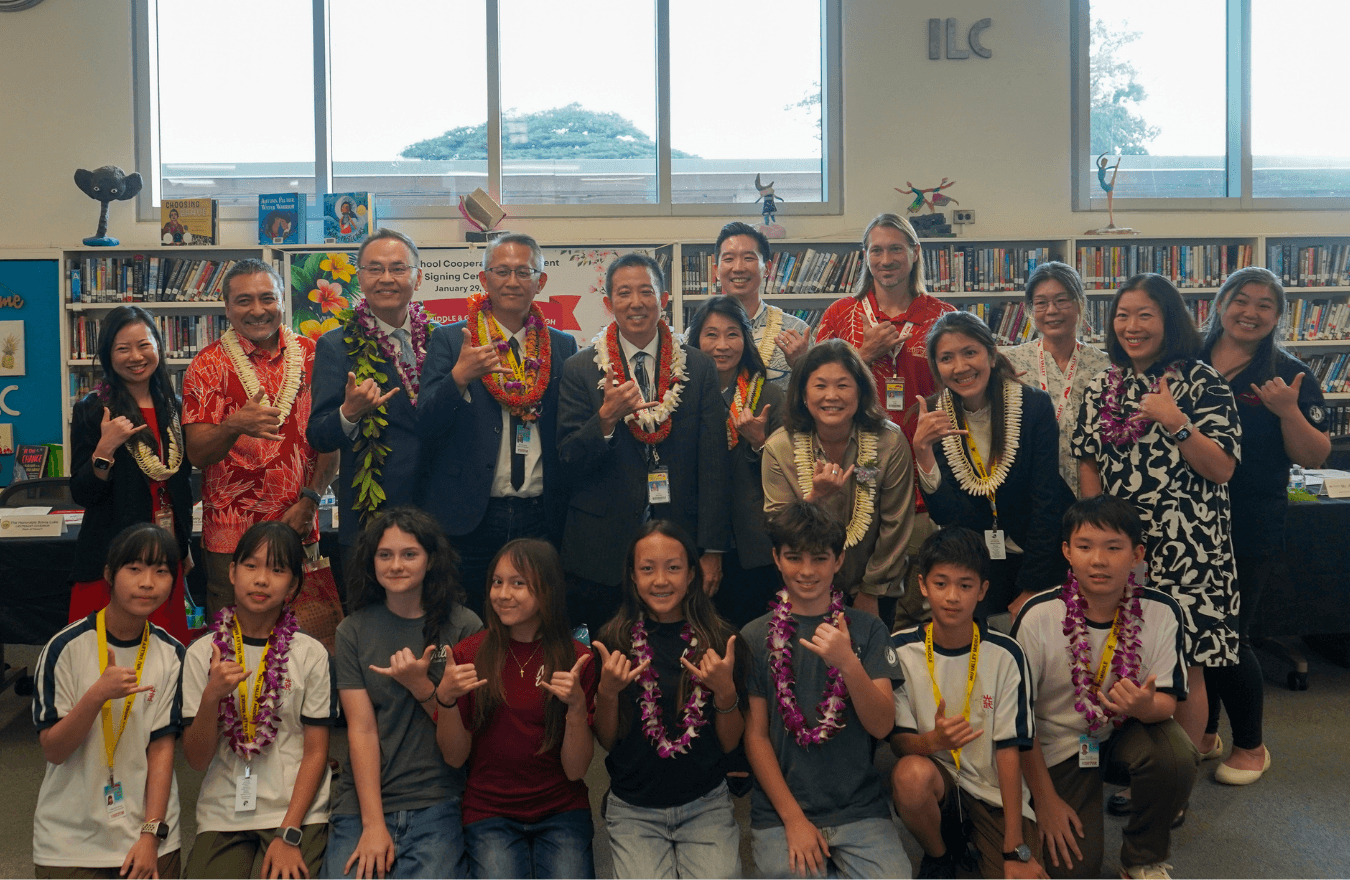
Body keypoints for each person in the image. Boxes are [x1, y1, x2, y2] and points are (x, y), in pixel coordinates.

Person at [1071, 273, 1240, 755]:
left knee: (1187, 664)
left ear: (1170, 320)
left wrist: (1176, 422)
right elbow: (1088, 461)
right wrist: (1095, 535)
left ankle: (1177, 778)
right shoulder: (1102, 385)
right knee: (1129, 657)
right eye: (1123, 315)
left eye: (1146, 314)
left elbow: (1222, 468)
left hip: (1190, 549)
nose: (1132, 325)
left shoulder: (1205, 383)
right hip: (1123, 550)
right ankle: (1141, 766)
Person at [1012, 495, 1197, 880]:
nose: (1098, 560)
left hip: (1123, 732)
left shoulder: (1162, 612)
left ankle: (1142, 857)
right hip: (1057, 745)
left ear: (1137, 555)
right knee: (1075, 871)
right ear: (1066, 551)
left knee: (1176, 753)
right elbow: (1016, 725)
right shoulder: (1038, 616)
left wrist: (1145, 707)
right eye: (1085, 547)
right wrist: (1045, 801)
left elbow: (1167, 703)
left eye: (1114, 548)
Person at [1199, 266, 1330, 785]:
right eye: (1241, 300)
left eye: (1264, 305)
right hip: (1185, 519)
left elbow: (1314, 455)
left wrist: (1288, 411)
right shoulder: (1187, 359)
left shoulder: (1287, 373)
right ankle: (1204, 731)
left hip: (1249, 521)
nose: (1250, 312)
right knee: (1190, 634)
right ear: (1221, 302)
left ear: (1278, 316)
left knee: (1230, 635)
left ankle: (1250, 746)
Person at [557, 253, 729, 631]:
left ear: (663, 299)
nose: (636, 303)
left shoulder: (698, 367)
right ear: (608, 304)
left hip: (679, 543)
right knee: (609, 660)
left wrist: (713, 549)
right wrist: (605, 419)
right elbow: (568, 458)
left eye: (646, 292)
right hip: (602, 550)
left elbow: (714, 463)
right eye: (624, 293)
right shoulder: (580, 369)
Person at [742, 502, 908, 879]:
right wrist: (794, 820)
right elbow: (756, 738)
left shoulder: (867, 629)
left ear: (838, 560)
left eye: (819, 558)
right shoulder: (754, 636)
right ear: (776, 558)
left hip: (858, 808)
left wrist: (848, 663)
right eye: (793, 557)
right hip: (783, 814)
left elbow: (882, 726)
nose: (806, 570)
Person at [419, 232, 579, 618]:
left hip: (540, 514)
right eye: (502, 271)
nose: (512, 281)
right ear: (483, 279)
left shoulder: (562, 346)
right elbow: (426, 424)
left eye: (523, 272)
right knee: (469, 623)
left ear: (540, 282)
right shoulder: (451, 339)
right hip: (472, 515)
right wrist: (458, 378)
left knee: (537, 620)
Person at [324, 507, 483, 880]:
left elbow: (461, 752)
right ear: (372, 562)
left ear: (431, 561)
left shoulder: (464, 626)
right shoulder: (353, 630)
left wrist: (421, 687)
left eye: (409, 554)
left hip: (437, 797)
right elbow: (361, 730)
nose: (396, 565)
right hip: (363, 801)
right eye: (385, 555)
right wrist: (373, 824)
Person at [816, 212, 955, 628]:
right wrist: (861, 354)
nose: (887, 258)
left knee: (920, 609)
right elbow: (815, 388)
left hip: (925, 486)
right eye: (877, 250)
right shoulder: (842, 315)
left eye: (896, 248)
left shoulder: (941, 317)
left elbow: (966, 386)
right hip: (854, 480)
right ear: (865, 257)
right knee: (853, 609)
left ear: (915, 253)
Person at [181, 521, 336, 879]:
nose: (262, 579)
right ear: (232, 572)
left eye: (277, 569)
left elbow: (316, 751)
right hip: (224, 807)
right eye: (251, 566)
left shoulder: (310, 654)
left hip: (294, 807)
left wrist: (290, 830)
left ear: (293, 585)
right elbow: (196, 759)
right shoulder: (202, 654)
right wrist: (211, 697)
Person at [435, 539, 599, 879]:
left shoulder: (576, 659)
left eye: (518, 583)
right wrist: (446, 699)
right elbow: (454, 757)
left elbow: (576, 769)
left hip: (561, 809)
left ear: (547, 590)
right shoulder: (469, 654)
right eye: (497, 582)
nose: (503, 593)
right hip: (489, 810)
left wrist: (576, 708)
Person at [592, 521, 746, 879]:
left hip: (704, 802)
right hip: (634, 806)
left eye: (673, 567)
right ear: (632, 576)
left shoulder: (721, 640)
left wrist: (725, 691)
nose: (660, 580)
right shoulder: (614, 639)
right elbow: (607, 740)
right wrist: (607, 693)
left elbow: (730, 741)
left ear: (692, 574)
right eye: (647, 569)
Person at [184, 259, 337, 617]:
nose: (257, 310)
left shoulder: (316, 356)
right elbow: (197, 455)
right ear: (226, 307)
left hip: (298, 523)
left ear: (283, 300)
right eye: (244, 301)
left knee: (303, 639)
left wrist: (310, 502)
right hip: (229, 538)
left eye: (267, 298)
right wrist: (233, 425)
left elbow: (331, 441)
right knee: (233, 644)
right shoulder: (205, 367)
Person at [32, 524, 186, 879]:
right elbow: (54, 750)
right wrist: (98, 694)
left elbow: (161, 751)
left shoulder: (172, 654)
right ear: (108, 574)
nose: (147, 582)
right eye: (134, 569)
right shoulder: (65, 648)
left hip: (148, 832)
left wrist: (151, 833)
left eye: (161, 571)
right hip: (69, 837)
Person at [890, 527, 1044, 880]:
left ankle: (984, 841)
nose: (952, 596)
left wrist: (1014, 847)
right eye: (941, 583)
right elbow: (898, 742)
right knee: (910, 776)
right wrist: (932, 742)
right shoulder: (900, 650)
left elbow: (1010, 750)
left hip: (992, 790)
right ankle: (940, 854)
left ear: (982, 590)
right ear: (923, 585)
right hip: (939, 780)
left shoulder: (1006, 654)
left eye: (965, 585)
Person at [911, 311, 1073, 617]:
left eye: (970, 352)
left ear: (992, 355)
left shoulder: (1033, 405)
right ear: (936, 367)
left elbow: (1046, 500)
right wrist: (923, 451)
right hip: (978, 564)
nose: (960, 367)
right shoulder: (935, 414)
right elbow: (948, 514)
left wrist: (1032, 588)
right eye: (946, 358)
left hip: (1039, 555)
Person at [761, 339, 914, 619]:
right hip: (804, 588)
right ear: (803, 396)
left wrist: (871, 592)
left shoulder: (890, 441)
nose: (831, 396)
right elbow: (777, 527)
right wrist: (815, 499)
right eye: (820, 386)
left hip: (875, 590)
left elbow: (897, 524)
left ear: (860, 392)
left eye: (843, 385)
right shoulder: (779, 447)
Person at [68, 306, 194, 645]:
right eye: (123, 349)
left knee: (164, 658)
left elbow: (178, 482)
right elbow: (82, 493)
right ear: (109, 355)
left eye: (144, 344)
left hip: (165, 553)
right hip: (114, 558)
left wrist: (182, 546)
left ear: (158, 346)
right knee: (105, 660)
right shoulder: (93, 409)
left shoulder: (174, 407)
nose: (136, 357)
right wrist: (105, 449)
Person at [310, 229, 438, 552]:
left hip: (440, 509)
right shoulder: (335, 346)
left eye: (398, 268)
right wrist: (348, 413)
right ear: (360, 277)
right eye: (375, 268)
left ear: (417, 277)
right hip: (372, 515)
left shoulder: (441, 342)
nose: (386, 278)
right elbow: (319, 435)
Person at [687, 294, 784, 627]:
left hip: (753, 545)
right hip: (695, 537)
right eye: (711, 334)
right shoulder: (679, 394)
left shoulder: (769, 397)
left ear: (746, 339)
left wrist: (760, 444)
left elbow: (789, 475)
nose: (722, 345)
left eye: (732, 334)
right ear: (696, 340)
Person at [1001, 262, 1111, 498]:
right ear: (1030, 309)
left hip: (1095, 491)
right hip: (1030, 494)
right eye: (1041, 303)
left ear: (1079, 302)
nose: (1051, 310)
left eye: (1061, 300)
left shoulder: (1105, 366)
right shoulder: (1009, 365)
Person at [712, 221, 812, 388]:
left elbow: (818, 392)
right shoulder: (698, 333)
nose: (738, 268)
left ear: (767, 268)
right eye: (729, 259)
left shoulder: (795, 331)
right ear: (716, 270)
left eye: (748, 258)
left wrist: (801, 365)